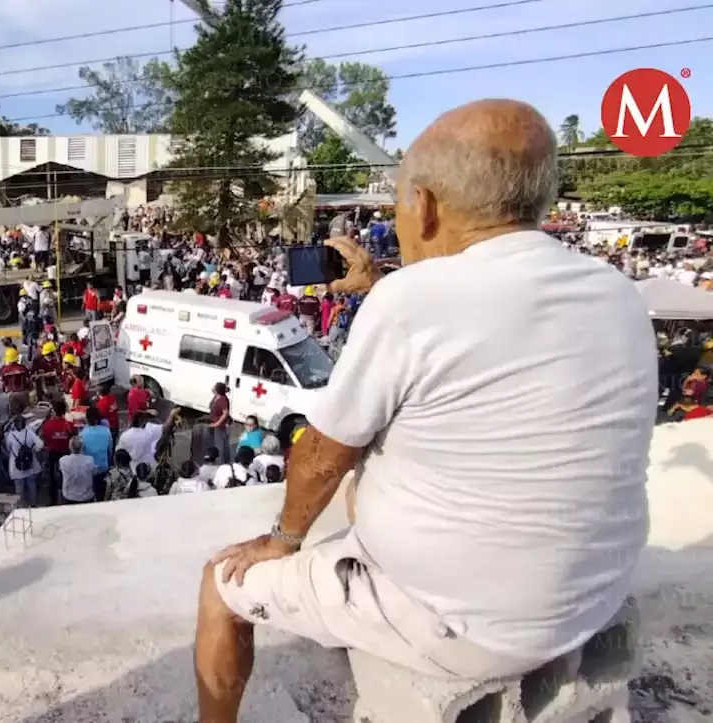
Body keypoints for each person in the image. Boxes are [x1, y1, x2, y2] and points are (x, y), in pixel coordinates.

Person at [196, 100, 656, 722]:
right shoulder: (615, 291)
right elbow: (490, 310)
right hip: (593, 595)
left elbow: (323, 458)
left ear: (427, 205)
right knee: (371, 488)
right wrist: (384, 282)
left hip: (469, 627)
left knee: (221, 582)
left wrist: (283, 540)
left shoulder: (413, 300)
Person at [39, 399, 76, 507]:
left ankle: (53, 501)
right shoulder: (69, 425)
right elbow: (73, 436)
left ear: (54, 412)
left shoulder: (47, 425)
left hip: (52, 454)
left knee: (51, 478)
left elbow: (43, 439)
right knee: (67, 476)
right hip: (65, 453)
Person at [4, 414, 45, 507]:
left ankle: (20, 507)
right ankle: (33, 505)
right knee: (32, 484)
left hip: (16, 466)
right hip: (30, 464)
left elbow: (8, 448)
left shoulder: (11, 435)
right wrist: (32, 450)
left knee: (19, 488)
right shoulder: (29, 433)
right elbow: (40, 444)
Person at [79, 407, 113, 501]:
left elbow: (81, 453)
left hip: (89, 470)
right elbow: (110, 450)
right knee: (101, 493)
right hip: (103, 467)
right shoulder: (106, 431)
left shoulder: (82, 434)